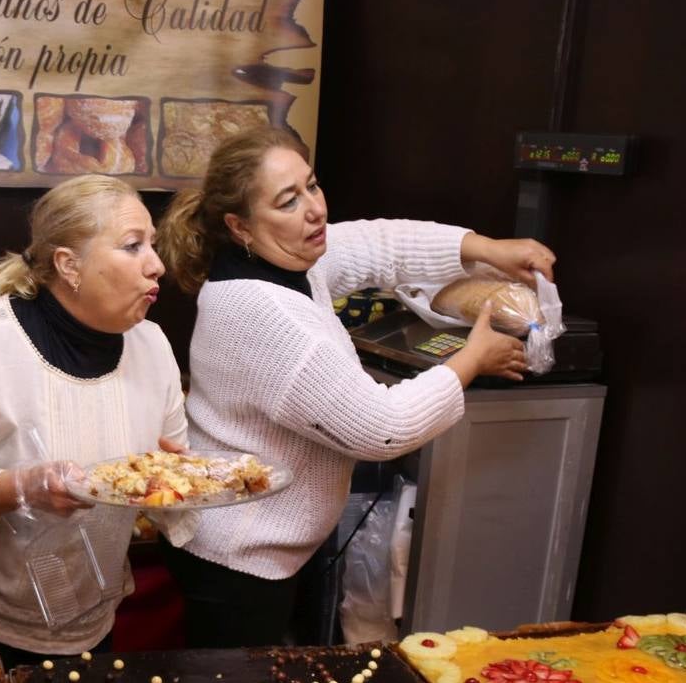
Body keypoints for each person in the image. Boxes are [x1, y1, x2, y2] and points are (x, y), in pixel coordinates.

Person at [155, 126, 555, 648]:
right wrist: (470, 360)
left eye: (312, 186)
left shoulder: (289, 261)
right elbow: (381, 429)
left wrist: (487, 249)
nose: (315, 209)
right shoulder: (263, 313)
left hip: (251, 548)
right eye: (288, 200)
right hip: (235, 559)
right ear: (240, 226)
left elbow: (378, 243)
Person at [0, 175, 191, 667]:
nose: (157, 265)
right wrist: (21, 488)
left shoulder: (152, 345)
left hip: (93, 617)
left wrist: (173, 478)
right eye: (133, 246)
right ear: (68, 265)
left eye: (152, 246)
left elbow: (170, 465)